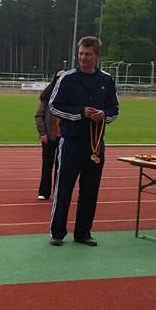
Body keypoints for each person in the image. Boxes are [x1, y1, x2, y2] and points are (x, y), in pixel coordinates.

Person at [48, 36, 119, 246]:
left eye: (88, 54)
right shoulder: (67, 78)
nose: (83, 58)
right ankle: (57, 232)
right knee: (63, 189)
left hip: (95, 144)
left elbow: (115, 109)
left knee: (90, 191)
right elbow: (54, 106)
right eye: (80, 54)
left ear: (97, 56)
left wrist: (104, 115)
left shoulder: (107, 80)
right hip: (71, 142)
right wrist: (81, 113)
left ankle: (83, 232)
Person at [35, 70, 64, 200]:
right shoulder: (47, 97)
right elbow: (39, 116)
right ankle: (44, 191)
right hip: (49, 136)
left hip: (65, 137)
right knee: (47, 165)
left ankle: (59, 192)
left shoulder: (70, 96)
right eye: (58, 77)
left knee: (61, 166)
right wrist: (43, 133)